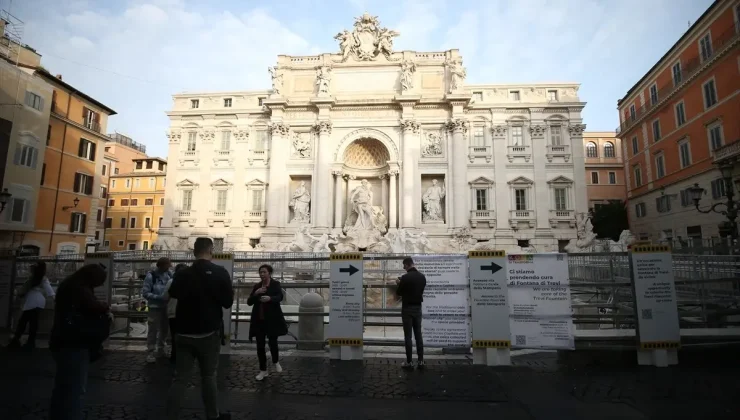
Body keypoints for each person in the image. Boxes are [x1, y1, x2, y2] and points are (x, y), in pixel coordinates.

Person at [166, 238, 234, 420]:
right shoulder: (220, 272)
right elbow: (228, 302)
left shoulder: (183, 273)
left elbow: (173, 294)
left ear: (194, 251)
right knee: (209, 376)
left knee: (180, 378)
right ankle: (213, 416)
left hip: (183, 332)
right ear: (211, 250)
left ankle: (171, 415)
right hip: (209, 333)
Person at [48, 263, 113, 420]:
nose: (100, 285)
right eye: (99, 282)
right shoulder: (80, 290)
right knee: (75, 390)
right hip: (74, 343)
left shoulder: (70, 285)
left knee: (63, 387)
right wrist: (105, 308)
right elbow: (91, 306)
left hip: (61, 341)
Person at [248, 264, 288, 381]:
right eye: (260, 272)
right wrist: (256, 293)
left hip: (272, 320)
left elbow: (280, 296)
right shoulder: (257, 286)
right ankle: (263, 370)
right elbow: (249, 302)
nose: (262, 274)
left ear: (269, 273)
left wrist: (270, 299)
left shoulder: (275, 284)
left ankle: (275, 361)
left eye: (264, 272)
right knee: (260, 346)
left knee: (273, 342)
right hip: (259, 320)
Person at [8, 261, 55, 350]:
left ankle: (18, 340)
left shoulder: (34, 278)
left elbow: (24, 289)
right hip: (38, 302)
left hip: (31, 302)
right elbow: (50, 291)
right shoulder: (42, 278)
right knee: (32, 322)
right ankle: (29, 341)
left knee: (23, 321)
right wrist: (54, 298)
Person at [395, 257, 427, 369]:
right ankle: (421, 361)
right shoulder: (422, 277)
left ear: (407, 265)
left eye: (404, 266)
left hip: (407, 308)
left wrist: (399, 283)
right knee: (418, 334)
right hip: (418, 308)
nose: (404, 268)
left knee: (408, 336)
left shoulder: (405, 278)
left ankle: (409, 362)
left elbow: (399, 293)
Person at [142, 257, 172, 363]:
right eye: (167, 266)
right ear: (161, 265)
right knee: (153, 329)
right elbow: (145, 293)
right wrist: (159, 297)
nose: (168, 268)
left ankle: (161, 349)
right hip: (154, 307)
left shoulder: (169, 274)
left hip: (166, 307)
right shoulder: (151, 276)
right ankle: (150, 351)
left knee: (165, 329)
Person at [164, 263, 188, 363]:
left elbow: (165, 297)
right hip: (187, 313)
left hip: (173, 312)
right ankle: (186, 356)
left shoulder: (171, 281)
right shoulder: (190, 282)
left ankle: (174, 355)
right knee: (186, 335)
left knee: (174, 335)